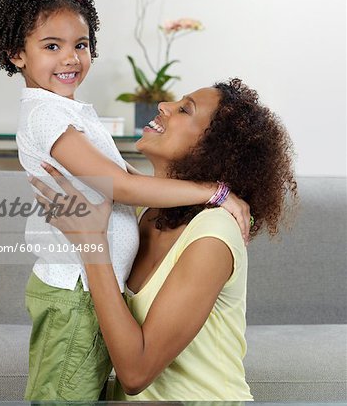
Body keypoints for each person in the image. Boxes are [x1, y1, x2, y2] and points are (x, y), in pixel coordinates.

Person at [0, 0, 251, 401]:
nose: (71, 57)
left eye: (81, 44)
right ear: (16, 54)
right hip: (73, 293)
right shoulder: (46, 116)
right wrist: (213, 191)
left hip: (85, 289)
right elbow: (119, 184)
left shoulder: (67, 112)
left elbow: (124, 181)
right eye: (51, 46)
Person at [32, 78, 298, 400]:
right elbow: (117, 179)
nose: (163, 106)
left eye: (185, 109)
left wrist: (91, 244)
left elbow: (135, 372)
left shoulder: (212, 235)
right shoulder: (143, 208)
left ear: (213, 148)